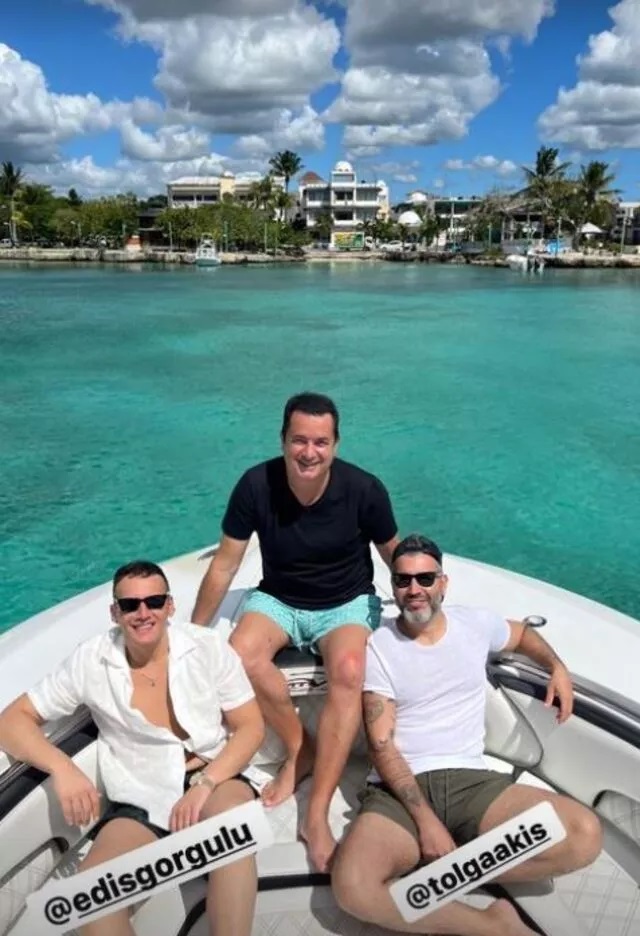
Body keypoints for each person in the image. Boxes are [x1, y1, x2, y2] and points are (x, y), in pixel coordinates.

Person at [332, 534, 603, 935]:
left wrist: (556, 667)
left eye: (425, 579)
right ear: (394, 587)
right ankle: (492, 926)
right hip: (398, 791)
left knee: (583, 835)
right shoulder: (378, 645)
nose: (414, 589)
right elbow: (381, 745)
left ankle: (439, 872)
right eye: (403, 580)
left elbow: (522, 634)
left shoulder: (475, 624)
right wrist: (427, 823)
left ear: (443, 583)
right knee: (353, 888)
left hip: (471, 784)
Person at [0, 560, 265, 936]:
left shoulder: (206, 647)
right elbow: (12, 720)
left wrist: (206, 784)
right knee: (89, 898)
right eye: (130, 605)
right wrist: (62, 768)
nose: (143, 613)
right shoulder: (91, 660)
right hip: (143, 793)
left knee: (232, 829)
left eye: (154, 601)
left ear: (170, 606)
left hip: (212, 775)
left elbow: (251, 727)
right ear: (115, 613)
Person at [191, 391, 399, 871]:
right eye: (299, 440)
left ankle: (317, 812)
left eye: (320, 442)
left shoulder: (365, 489)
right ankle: (300, 747)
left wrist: (425, 607)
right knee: (239, 654)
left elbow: (394, 554)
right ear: (283, 439)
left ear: (336, 444)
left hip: (346, 602)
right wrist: (192, 636)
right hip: (279, 599)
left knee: (350, 669)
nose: (309, 452)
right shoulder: (255, 484)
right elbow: (224, 565)